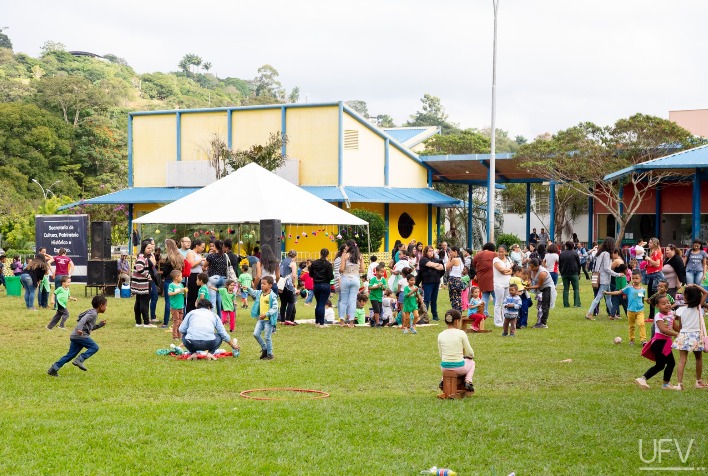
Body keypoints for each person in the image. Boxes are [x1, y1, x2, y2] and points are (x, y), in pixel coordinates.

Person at [47, 295, 108, 377]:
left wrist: (99, 325)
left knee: (70, 355)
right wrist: (79, 329)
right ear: (101, 305)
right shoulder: (93, 313)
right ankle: (80, 359)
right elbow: (83, 320)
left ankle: (53, 369)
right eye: (105, 305)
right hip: (80, 335)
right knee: (95, 347)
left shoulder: (92, 312)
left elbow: (89, 327)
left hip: (75, 336)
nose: (106, 308)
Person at [635, 295, 680, 390]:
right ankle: (665, 384)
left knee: (660, 365)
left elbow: (676, 328)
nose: (667, 305)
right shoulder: (658, 316)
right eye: (663, 304)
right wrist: (676, 334)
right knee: (670, 363)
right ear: (657, 306)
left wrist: (682, 320)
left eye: (668, 302)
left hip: (665, 342)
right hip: (659, 343)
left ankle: (643, 379)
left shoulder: (671, 314)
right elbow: (663, 330)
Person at [671, 285, 708, 390]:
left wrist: (678, 334)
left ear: (685, 296)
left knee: (682, 360)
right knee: (698, 358)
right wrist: (695, 285)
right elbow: (706, 293)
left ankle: (679, 384)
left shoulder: (680, 310)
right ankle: (698, 381)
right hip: (695, 335)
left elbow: (680, 326)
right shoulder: (698, 307)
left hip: (683, 335)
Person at [437, 309, 475, 393]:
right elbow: (470, 353)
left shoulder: (440, 335)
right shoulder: (461, 333)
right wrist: (470, 357)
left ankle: (443, 380)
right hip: (458, 367)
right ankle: (468, 381)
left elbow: (441, 354)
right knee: (471, 363)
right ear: (457, 321)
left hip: (444, 367)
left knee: (448, 364)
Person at [605, 270, 647, 345]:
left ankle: (643, 340)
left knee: (641, 324)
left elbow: (642, 299)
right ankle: (632, 340)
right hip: (630, 311)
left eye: (636, 278)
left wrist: (647, 301)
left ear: (641, 278)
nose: (634, 280)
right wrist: (608, 293)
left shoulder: (643, 290)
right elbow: (618, 292)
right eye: (633, 278)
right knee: (631, 326)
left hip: (640, 311)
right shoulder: (629, 288)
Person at [244, 276, 279, 360]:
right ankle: (264, 348)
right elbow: (253, 292)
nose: (262, 285)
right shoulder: (260, 293)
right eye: (261, 284)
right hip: (261, 320)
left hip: (268, 321)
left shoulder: (272, 296)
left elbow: (275, 308)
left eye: (264, 284)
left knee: (267, 337)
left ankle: (270, 355)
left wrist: (266, 314)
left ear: (270, 285)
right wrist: (248, 289)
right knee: (255, 334)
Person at [585, 237, 621, 321]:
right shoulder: (607, 254)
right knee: (599, 297)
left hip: (601, 278)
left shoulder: (600, 253)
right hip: (604, 279)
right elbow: (607, 268)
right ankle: (589, 313)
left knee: (608, 297)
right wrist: (617, 274)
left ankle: (613, 314)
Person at [339, 240, 365, 327]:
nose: (345, 247)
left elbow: (342, 269)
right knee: (353, 301)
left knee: (344, 301)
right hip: (355, 279)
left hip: (346, 278)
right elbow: (363, 270)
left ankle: (342, 322)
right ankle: (351, 323)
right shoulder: (360, 256)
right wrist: (355, 270)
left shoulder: (345, 255)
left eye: (346, 246)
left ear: (349, 247)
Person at [131, 239, 156, 327]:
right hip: (143, 283)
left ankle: (138, 322)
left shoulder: (142, 256)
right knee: (144, 302)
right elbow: (139, 268)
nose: (150, 249)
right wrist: (148, 275)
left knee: (138, 302)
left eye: (151, 248)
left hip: (139, 283)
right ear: (144, 248)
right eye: (148, 248)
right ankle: (146, 322)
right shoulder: (142, 257)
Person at [160, 239, 184, 328]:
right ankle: (179, 320)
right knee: (179, 300)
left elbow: (165, 271)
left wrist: (163, 276)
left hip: (169, 280)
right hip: (179, 280)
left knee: (168, 302)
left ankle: (165, 323)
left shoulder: (169, 258)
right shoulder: (179, 256)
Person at [416, 246, 444, 321]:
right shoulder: (423, 259)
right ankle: (424, 316)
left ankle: (435, 315)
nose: (431, 252)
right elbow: (431, 264)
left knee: (434, 299)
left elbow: (442, 267)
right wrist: (435, 265)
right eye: (429, 251)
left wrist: (435, 265)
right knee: (427, 299)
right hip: (427, 281)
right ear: (426, 252)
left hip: (436, 281)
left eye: (432, 250)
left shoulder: (436, 259)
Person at [473, 242, 497, 320]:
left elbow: (473, 265)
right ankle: (497, 313)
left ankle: (484, 312)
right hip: (492, 278)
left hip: (482, 278)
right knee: (495, 296)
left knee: (484, 296)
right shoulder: (494, 254)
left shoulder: (477, 255)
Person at [527, 258, 554, 328]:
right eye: (530, 266)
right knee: (539, 306)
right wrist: (529, 283)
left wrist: (528, 288)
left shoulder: (542, 273)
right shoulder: (530, 269)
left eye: (533, 267)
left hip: (547, 288)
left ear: (538, 266)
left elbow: (539, 285)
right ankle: (539, 321)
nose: (531, 268)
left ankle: (543, 323)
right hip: (539, 288)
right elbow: (529, 278)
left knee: (545, 305)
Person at [492, 245, 513, 328]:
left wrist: (507, 271)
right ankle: (497, 321)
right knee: (498, 302)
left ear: (506, 252)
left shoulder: (508, 259)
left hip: (507, 283)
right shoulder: (496, 260)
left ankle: (505, 320)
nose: (500, 253)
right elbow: (501, 270)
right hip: (499, 284)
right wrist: (507, 270)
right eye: (499, 251)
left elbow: (511, 270)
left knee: (506, 302)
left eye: (502, 251)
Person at [206, 240, 228, 316]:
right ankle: (220, 317)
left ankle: (212, 316)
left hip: (213, 278)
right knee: (220, 299)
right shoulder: (225, 255)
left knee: (212, 299)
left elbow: (204, 266)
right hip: (223, 278)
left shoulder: (211, 256)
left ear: (215, 246)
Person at [645, 238, 664, 321]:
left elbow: (657, 264)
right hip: (652, 275)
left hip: (656, 275)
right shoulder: (653, 252)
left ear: (655, 244)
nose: (649, 244)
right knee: (651, 295)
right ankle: (652, 316)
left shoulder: (656, 252)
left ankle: (653, 316)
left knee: (653, 295)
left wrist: (649, 259)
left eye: (650, 243)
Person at [559, 241, 581, 308]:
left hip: (564, 273)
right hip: (574, 273)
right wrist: (578, 273)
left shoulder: (562, 254)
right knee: (576, 289)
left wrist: (561, 271)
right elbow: (578, 264)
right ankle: (576, 304)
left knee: (566, 288)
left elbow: (560, 264)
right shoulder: (575, 253)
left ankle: (566, 304)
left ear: (566, 246)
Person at [279, 250, 298, 325]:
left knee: (283, 303)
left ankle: (282, 320)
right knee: (291, 302)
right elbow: (293, 275)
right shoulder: (292, 263)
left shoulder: (282, 262)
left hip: (280, 284)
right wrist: (293, 283)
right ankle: (288, 319)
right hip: (288, 284)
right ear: (295, 256)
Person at [167, 270, 186, 340]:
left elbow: (183, 295)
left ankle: (180, 335)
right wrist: (179, 291)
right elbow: (169, 293)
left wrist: (185, 292)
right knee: (176, 321)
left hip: (181, 306)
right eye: (181, 276)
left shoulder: (181, 285)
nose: (182, 277)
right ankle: (175, 336)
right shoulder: (171, 285)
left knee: (181, 321)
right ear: (176, 277)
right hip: (174, 307)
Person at [446, 246, 465, 311]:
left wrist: (449, 258)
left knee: (453, 297)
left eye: (451, 252)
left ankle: (455, 312)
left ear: (455, 252)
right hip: (459, 280)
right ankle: (459, 312)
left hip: (453, 280)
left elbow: (447, 267)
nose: (450, 253)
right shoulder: (461, 259)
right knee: (458, 297)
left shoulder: (454, 260)